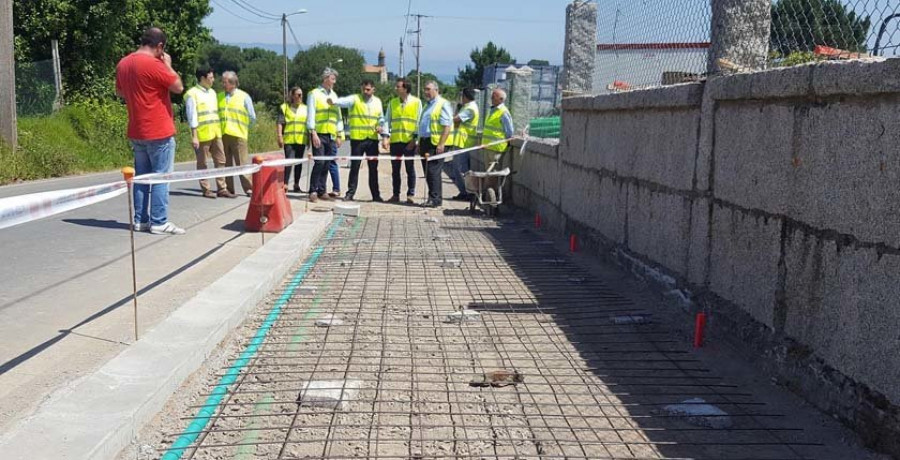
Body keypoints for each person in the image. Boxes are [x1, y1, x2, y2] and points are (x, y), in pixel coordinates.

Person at [115, 27, 186, 235]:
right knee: (161, 177)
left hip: (137, 129)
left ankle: (140, 220)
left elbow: (119, 91)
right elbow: (178, 87)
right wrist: (168, 65)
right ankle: (159, 221)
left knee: (142, 176)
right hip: (158, 129)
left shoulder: (123, 63)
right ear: (160, 47)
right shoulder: (155, 64)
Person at [185, 68, 236, 199]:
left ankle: (222, 188)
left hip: (216, 132)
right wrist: (194, 136)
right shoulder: (192, 94)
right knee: (203, 163)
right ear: (202, 78)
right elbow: (192, 116)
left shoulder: (212, 93)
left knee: (221, 160)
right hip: (202, 134)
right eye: (211, 77)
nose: (213, 80)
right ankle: (206, 189)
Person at [330, 79, 384, 201]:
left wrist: (380, 125)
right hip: (358, 140)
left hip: (372, 140)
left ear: (373, 90)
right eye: (363, 89)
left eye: (368, 89)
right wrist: (333, 101)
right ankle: (350, 193)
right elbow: (343, 102)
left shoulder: (377, 102)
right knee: (354, 168)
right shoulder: (355, 99)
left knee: (373, 168)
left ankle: (376, 195)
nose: (365, 92)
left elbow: (381, 118)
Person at [382, 78, 421, 204]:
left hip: (409, 141)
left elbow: (419, 122)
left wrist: (415, 139)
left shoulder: (416, 102)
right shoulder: (393, 103)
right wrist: (386, 137)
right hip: (396, 141)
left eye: (398, 86)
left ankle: (410, 194)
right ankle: (396, 194)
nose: (396, 88)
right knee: (395, 170)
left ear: (405, 88)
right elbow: (387, 120)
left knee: (410, 168)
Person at [218, 71, 257, 197]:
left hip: (239, 134)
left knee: (242, 163)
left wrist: (245, 129)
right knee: (226, 163)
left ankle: (249, 188)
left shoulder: (244, 96)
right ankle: (229, 189)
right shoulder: (219, 96)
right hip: (223, 134)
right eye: (223, 82)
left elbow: (252, 117)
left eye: (225, 82)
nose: (223, 84)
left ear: (233, 83)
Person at [307, 68, 342, 202]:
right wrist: (313, 132)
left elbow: (338, 116)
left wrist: (339, 134)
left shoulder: (334, 95)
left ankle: (322, 190)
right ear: (325, 78)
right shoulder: (314, 94)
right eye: (332, 78)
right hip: (319, 133)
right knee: (320, 162)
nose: (334, 81)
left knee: (327, 163)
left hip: (331, 134)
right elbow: (311, 114)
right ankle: (313, 190)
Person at [417, 80, 453, 208]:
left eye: (428, 89)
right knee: (428, 171)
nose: (425, 92)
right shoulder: (427, 106)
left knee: (433, 171)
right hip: (426, 141)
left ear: (436, 90)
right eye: (425, 89)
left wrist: (441, 144)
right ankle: (433, 197)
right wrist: (419, 142)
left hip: (436, 143)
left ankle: (436, 199)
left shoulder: (443, 104)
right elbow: (423, 125)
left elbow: (447, 126)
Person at [446, 88, 480, 200]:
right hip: (461, 141)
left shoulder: (470, 108)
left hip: (464, 142)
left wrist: (446, 119)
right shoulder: (467, 107)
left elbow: (456, 119)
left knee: (461, 169)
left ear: (465, 96)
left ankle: (467, 192)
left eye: (461, 96)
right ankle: (464, 192)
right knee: (458, 168)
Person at [277, 87, 308, 193]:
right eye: (298, 95)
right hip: (289, 139)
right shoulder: (284, 107)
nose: (300, 97)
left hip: (301, 139)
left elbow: (308, 124)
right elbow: (280, 122)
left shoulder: (305, 108)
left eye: (301, 95)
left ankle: (296, 184)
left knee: (299, 163)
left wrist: (309, 139)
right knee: (289, 161)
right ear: (293, 95)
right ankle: (285, 183)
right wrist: (279, 136)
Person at [482, 88, 515, 154]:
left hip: (496, 148)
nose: (492, 97)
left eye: (494, 96)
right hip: (488, 146)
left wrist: (507, 143)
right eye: (492, 95)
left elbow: (509, 132)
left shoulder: (504, 112)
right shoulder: (492, 110)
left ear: (501, 99)